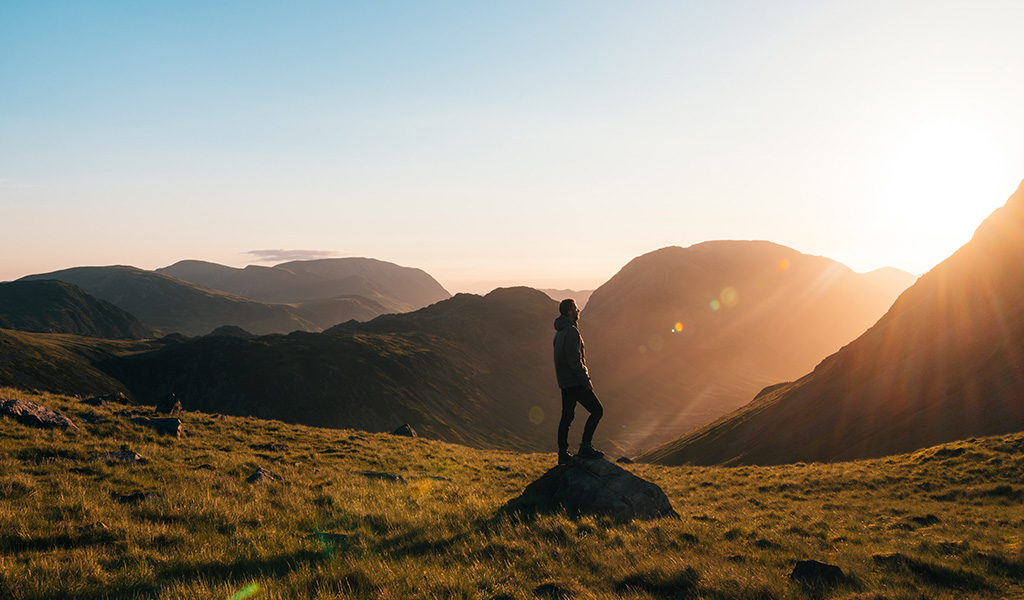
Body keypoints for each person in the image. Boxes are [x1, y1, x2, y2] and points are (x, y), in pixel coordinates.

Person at [552, 298, 604, 464]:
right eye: (575, 309)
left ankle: (562, 453)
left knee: (566, 417)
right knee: (597, 410)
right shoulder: (571, 331)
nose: (578, 311)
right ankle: (585, 446)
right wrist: (586, 381)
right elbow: (575, 360)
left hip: (565, 383)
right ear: (569, 313)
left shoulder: (558, 332)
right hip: (575, 382)